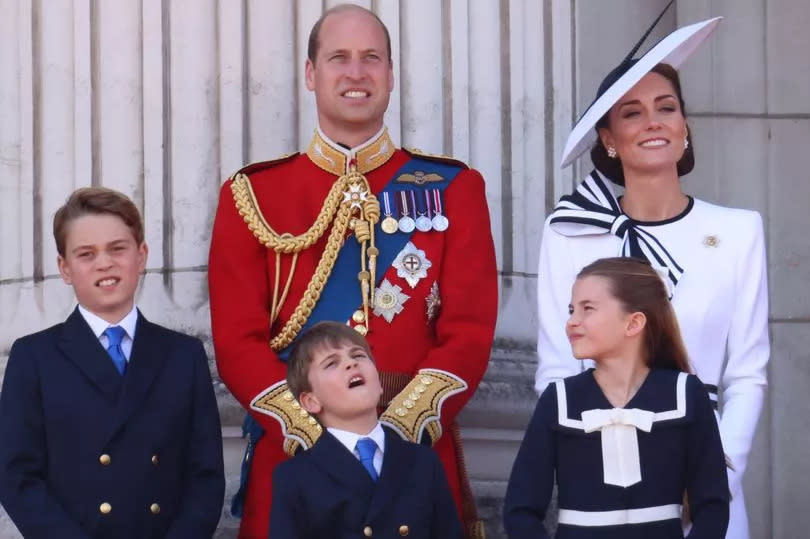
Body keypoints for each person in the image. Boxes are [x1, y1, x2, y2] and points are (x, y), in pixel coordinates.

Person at [207, 4, 497, 538]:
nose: (356, 72)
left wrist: (397, 430)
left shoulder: (454, 188)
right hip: (296, 457)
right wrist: (314, 433)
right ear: (311, 75)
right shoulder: (252, 195)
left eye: (371, 58)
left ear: (390, 74)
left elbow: (470, 331)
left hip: (414, 458)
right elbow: (237, 341)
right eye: (338, 58)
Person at [534, 10, 767, 538]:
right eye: (632, 113)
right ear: (609, 138)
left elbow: (748, 374)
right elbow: (555, 371)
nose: (654, 121)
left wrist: (715, 476)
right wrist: (591, 468)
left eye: (667, 107)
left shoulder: (738, 231)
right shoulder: (569, 234)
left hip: (706, 489)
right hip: (602, 485)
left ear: (684, 126)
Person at [0, 187, 225, 538]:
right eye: (86, 254)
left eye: (117, 248)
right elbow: (17, 477)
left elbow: (205, 477)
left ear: (141, 255)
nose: (104, 263)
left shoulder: (184, 355)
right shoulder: (34, 358)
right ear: (65, 268)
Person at [507, 257, 729, 538]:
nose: (572, 322)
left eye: (588, 309)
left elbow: (713, 505)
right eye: (571, 310)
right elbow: (520, 510)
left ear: (633, 323)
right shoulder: (559, 399)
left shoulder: (686, 394)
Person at [269, 321, 463, 539]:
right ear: (311, 401)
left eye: (359, 356)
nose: (351, 364)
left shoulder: (424, 462)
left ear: (379, 382)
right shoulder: (295, 477)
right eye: (331, 363)